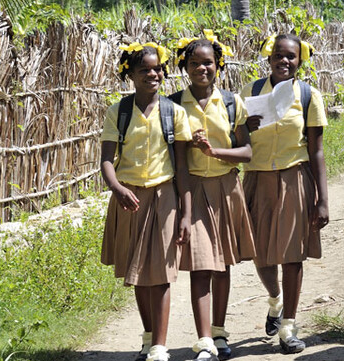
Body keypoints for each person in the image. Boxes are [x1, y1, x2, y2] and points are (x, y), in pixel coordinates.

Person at [100, 41, 192, 361]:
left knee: (162, 272)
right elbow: (107, 161)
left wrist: (185, 213)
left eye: (157, 69)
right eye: (144, 70)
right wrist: (117, 188)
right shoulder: (119, 112)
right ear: (131, 75)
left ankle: (159, 347)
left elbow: (182, 167)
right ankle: (148, 335)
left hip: (165, 197)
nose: (152, 74)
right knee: (139, 272)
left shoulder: (174, 113)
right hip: (130, 199)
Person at [240, 33, 329, 354]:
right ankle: (275, 300)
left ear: (300, 61)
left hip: (295, 179)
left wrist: (322, 200)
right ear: (269, 58)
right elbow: (236, 142)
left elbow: (317, 151)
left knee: (292, 255)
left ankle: (289, 326)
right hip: (257, 179)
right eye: (278, 55)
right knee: (261, 254)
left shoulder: (308, 96)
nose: (284, 61)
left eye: (291, 56)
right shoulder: (249, 93)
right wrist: (244, 128)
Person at [171, 32, 257, 361]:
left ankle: (220, 333)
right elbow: (174, 158)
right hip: (192, 190)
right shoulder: (175, 104)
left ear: (218, 65)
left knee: (222, 266)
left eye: (208, 62)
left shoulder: (232, 103)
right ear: (185, 67)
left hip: (226, 188)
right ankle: (204, 339)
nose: (201, 68)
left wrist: (213, 150)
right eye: (194, 63)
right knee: (200, 266)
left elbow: (247, 152)